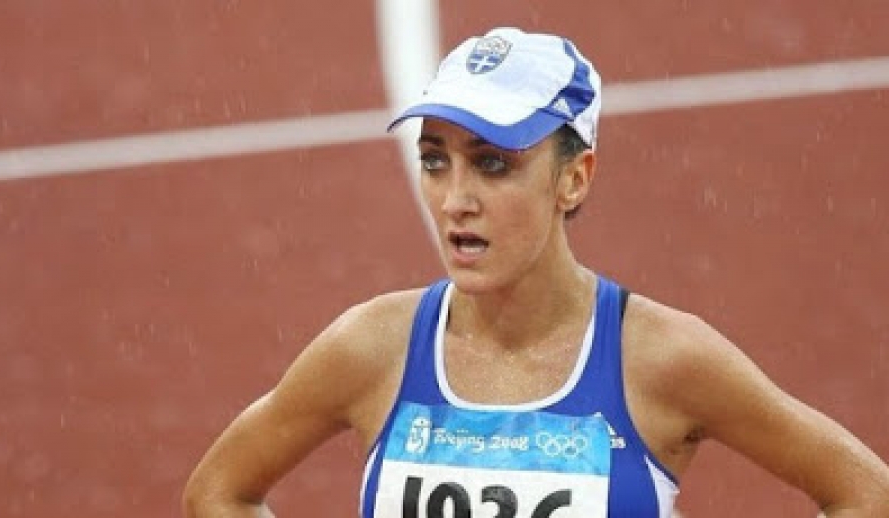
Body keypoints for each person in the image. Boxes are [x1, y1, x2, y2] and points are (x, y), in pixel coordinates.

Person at [182, 27, 889, 517]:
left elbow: (864, 493)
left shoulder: (662, 358)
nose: (455, 199)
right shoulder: (373, 347)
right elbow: (218, 492)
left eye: (493, 164)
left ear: (574, 179)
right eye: (435, 160)